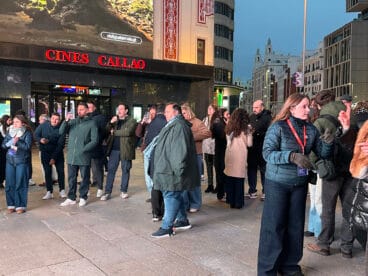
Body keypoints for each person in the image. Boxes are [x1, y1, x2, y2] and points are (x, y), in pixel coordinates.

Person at [257, 93, 334, 275]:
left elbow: (322, 153)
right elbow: (267, 154)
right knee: (274, 228)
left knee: (295, 227)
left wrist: (329, 143)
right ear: (291, 108)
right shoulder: (279, 127)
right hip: (277, 184)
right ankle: (267, 270)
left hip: (299, 184)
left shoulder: (311, 129)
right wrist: (291, 156)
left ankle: (290, 267)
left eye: (309, 106)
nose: (309, 110)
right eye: (304, 106)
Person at [307, 92, 357, 258]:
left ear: (319, 105)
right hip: (351, 170)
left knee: (327, 209)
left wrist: (318, 166)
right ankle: (347, 247)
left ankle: (324, 244)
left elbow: (313, 151)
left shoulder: (320, 122)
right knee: (349, 209)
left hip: (331, 171)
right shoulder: (352, 117)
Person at [151, 103, 199, 238]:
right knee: (174, 194)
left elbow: (179, 151)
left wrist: (178, 171)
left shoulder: (178, 126)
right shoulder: (175, 125)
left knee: (170, 195)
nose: (165, 114)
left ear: (176, 112)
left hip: (171, 170)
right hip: (169, 168)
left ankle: (167, 227)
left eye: (167, 112)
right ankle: (182, 220)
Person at [59, 102, 98, 207]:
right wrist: (66, 121)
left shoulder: (92, 123)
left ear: (87, 110)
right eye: (78, 109)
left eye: (81, 109)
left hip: (84, 156)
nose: (79, 111)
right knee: (71, 178)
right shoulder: (73, 122)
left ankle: (83, 197)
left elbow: (94, 140)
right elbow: (61, 131)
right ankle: (71, 197)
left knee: (84, 177)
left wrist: (84, 149)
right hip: (72, 155)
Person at [100, 103, 137, 201]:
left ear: (126, 111)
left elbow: (127, 132)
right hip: (114, 150)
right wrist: (111, 123)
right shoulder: (115, 120)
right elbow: (107, 130)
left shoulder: (132, 121)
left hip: (126, 150)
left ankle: (123, 191)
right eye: (118, 109)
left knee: (126, 170)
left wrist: (114, 132)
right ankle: (107, 192)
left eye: (121, 109)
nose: (119, 111)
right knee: (111, 171)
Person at [181, 103, 211, 213]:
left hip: (196, 154)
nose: (182, 115)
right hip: (185, 155)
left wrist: (192, 137)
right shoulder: (181, 122)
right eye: (181, 113)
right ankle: (187, 203)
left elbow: (207, 133)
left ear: (188, 112)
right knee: (186, 181)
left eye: (184, 113)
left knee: (195, 180)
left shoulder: (197, 122)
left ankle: (196, 203)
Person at [2, 115, 33, 214]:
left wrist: (18, 141)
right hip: (10, 160)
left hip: (22, 161)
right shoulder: (9, 132)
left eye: (17, 122)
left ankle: (20, 205)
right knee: (10, 183)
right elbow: (3, 145)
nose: (14, 124)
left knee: (21, 183)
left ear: (22, 123)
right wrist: (10, 142)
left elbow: (27, 147)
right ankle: (11, 204)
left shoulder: (27, 133)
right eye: (14, 122)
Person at [141, 103, 167, 221]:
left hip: (153, 158)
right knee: (165, 186)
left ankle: (156, 213)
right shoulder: (168, 123)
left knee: (155, 185)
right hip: (165, 158)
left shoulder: (151, 124)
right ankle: (164, 211)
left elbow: (146, 140)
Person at [223, 108, 253, 209]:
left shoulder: (229, 126)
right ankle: (238, 203)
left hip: (230, 154)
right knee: (239, 179)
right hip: (241, 155)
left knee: (230, 177)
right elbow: (249, 144)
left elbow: (227, 141)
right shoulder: (247, 128)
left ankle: (231, 201)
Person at [34, 112, 66, 199]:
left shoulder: (61, 128)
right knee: (47, 172)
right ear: (50, 118)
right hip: (45, 152)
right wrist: (40, 140)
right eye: (53, 119)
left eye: (57, 119)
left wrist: (53, 158)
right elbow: (36, 134)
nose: (54, 121)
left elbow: (61, 145)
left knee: (61, 172)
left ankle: (62, 190)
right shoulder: (43, 125)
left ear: (59, 121)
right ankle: (49, 191)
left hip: (57, 153)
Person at [247, 100, 272, 200]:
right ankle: (252, 190)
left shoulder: (268, 117)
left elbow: (268, 132)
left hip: (263, 147)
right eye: (253, 107)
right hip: (252, 148)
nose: (254, 109)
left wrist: (256, 132)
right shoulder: (251, 116)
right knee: (251, 169)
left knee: (264, 170)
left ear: (262, 107)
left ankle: (265, 191)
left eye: (256, 107)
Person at [135, 104, 157, 199]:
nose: (151, 115)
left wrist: (151, 123)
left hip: (155, 151)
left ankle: (156, 196)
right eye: (150, 113)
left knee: (154, 174)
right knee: (147, 174)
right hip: (146, 150)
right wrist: (142, 123)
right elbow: (138, 133)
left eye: (153, 113)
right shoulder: (146, 123)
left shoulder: (157, 123)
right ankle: (151, 194)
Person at [87, 100, 107, 198]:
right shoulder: (85, 118)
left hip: (97, 146)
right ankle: (87, 188)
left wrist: (97, 141)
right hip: (86, 147)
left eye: (89, 107)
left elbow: (103, 132)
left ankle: (100, 187)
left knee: (98, 168)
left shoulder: (100, 118)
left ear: (94, 107)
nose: (88, 110)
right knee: (86, 168)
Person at [211, 108, 228, 200]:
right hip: (221, 151)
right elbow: (223, 136)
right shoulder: (219, 123)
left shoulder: (218, 122)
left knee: (220, 172)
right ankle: (222, 193)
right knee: (222, 172)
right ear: (222, 115)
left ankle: (221, 193)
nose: (229, 115)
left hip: (220, 151)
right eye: (227, 114)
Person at [202, 104, 217, 193]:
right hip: (206, 147)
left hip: (215, 147)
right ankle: (210, 185)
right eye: (208, 108)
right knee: (208, 167)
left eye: (211, 108)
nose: (209, 110)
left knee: (216, 167)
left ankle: (218, 186)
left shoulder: (217, 120)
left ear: (215, 110)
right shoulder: (205, 119)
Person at [0, 114, 11, 188]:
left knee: (9, 164)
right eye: (9, 120)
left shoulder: (10, 128)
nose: (11, 121)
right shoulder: (2, 128)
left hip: (9, 150)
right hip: (3, 151)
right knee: (3, 165)